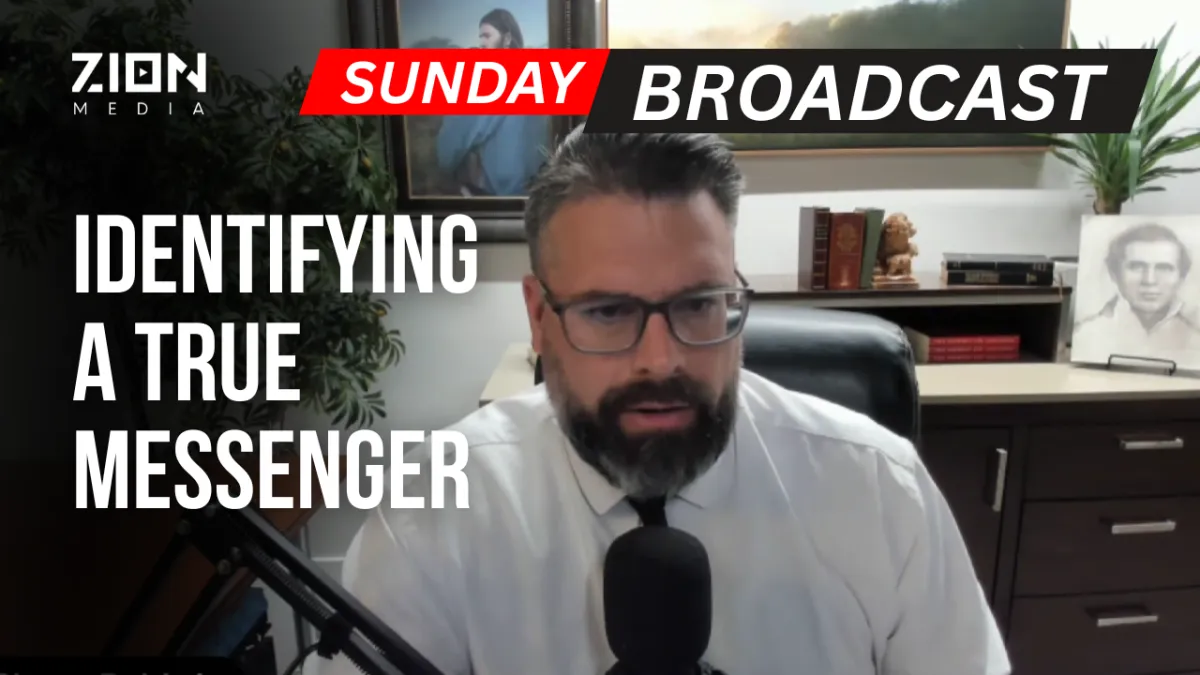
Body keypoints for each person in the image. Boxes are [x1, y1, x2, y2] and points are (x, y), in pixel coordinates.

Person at [332, 129, 1010, 675]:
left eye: (698, 304)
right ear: (539, 319)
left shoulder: (879, 489)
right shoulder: (436, 509)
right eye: (607, 311)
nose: (662, 358)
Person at [434, 9, 550, 197]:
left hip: (503, 198)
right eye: (480, 37)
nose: (481, 43)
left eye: (487, 36)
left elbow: (447, 151)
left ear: (507, 39)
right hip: (543, 192)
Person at [1074, 222, 1200, 358]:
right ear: (1114, 274)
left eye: (1164, 268)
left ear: (1181, 276)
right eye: (1136, 267)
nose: (1149, 281)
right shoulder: (1085, 334)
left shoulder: (1195, 332)